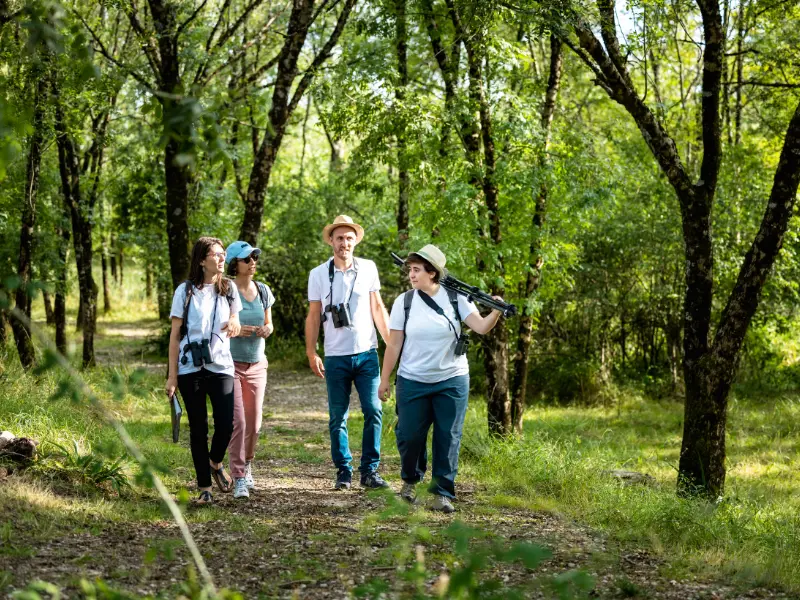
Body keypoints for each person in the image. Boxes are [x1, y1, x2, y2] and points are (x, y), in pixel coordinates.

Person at [378, 245, 504, 513]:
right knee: (409, 435)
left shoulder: (457, 298)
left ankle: (442, 493)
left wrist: (495, 311)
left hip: (452, 379)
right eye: (410, 270)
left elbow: (480, 327)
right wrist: (384, 378)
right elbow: (394, 343)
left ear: (432, 273)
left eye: (416, 270)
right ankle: (411, 481)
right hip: (412, 379)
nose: (411, 275)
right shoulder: (405, 301)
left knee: (448, 437)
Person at [305, 215, 391, 490]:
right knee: (337, 417)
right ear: (331, 240)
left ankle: (370, 471)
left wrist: (393, 345)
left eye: (349, 238)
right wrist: (311, 351)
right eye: (340, 238)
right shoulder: (318, 274)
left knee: (373, 410)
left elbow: (377, 307)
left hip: (366, 353)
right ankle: (344, 471)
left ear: (356, 241)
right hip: (335, 355)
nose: (345, 243)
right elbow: (314, 316)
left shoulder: (368, 268)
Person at [165, 237, 242, 505]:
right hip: (190, 369)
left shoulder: (229, 288)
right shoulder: (184, 291)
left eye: (223, 254)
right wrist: (172, 376)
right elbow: (175, 336)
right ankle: (205, 488)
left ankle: (215, 462)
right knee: (198, 429)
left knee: (225, 424)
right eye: (216, 255)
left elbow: (236, 319)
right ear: (201, 261)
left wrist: (234, 319)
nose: (222, 258)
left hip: (221, 366)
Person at [225, 241, 275, 500]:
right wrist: (234, 329)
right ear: (235, 264)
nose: (253, 261)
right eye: (247, 259)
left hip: (257, 363)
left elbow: (269, 322)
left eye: (255, 256)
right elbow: (216, 325)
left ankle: (248, 462)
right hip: (229, 365)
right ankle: (239, 477)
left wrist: (268, 329)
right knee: (239, 423)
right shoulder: (225, 290)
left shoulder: (264, 290)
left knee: (254, 425)